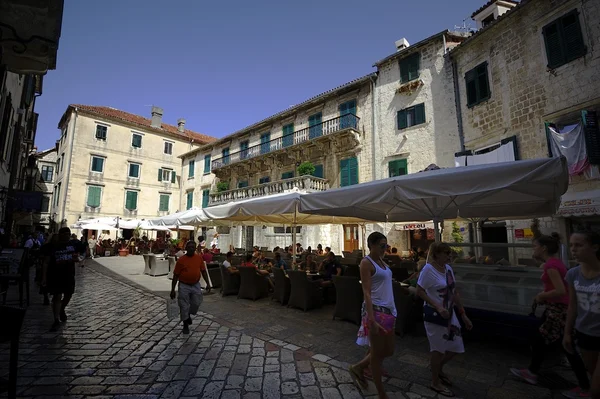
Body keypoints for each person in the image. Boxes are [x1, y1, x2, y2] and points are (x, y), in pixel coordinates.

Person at [510, 234, 590, 398]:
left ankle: (585, 387)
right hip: (558, 309)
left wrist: (542, 296)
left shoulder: (550, 266)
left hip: (558, 310)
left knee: (563, 346)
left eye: (534, 246)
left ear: (543, 248)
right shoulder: (553, 263)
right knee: (544, 341)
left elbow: (561, 290)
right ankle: (533, 371)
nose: (533, 249)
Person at [416, 242, 473, 397]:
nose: (449, 255)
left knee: (456, 346)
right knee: (438, 349)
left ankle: (437, 368)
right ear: (436, 254)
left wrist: (463, 314)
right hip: (435, 316)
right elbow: (419, 291)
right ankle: (435, 382)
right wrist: (437, 306)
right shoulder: (428, 269)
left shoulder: (448, 269)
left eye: (449, 252)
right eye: (446, 253)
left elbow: (454, 293)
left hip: (450, 314)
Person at [348, 232, 396, 399]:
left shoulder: (382, 261)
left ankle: (358, 367)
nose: (385, 248)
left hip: (389, 310)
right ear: (372, 245)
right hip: (377, 310)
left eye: (386, 245)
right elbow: (366, 292)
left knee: (388, 350)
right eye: (382, 245)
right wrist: (371, 318)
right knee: (377, 353)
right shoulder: (366, 263)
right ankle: (381, 393)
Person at [564, 230, 600, 399]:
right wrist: (567, 332)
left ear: (594, 247)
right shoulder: (573, 274)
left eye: (579, 245)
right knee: (594, 376)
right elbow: (572, 305)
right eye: (571, 245)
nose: (573, 249)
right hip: (585, 333)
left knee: (596, 388)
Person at [40, 227, 86, 332]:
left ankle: (62, 308)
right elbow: (46, 262)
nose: (66, 235)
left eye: (68, 233)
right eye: (64, 233)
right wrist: (44, 277)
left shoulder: (74, 244)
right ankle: (56, 319)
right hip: (55, 274)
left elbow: (84, 252)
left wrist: (79, 259)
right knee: (57, 295)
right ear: (60, 234)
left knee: (69, 294)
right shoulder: (52, 246)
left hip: (69, 274)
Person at [170, 241, 210, 334]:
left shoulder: (199, 258)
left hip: (195, 284)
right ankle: (185, 325)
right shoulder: (181, 260)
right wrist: (172, 289)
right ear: (186, 248)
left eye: (193, 247)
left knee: (196, 302)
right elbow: (176, 275)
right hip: (184, 285)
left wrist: (208, 283)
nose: (191, 248)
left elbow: (203, 271)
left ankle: (187, 316)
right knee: (184, 306)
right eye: (189, 247)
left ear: (195, 248)